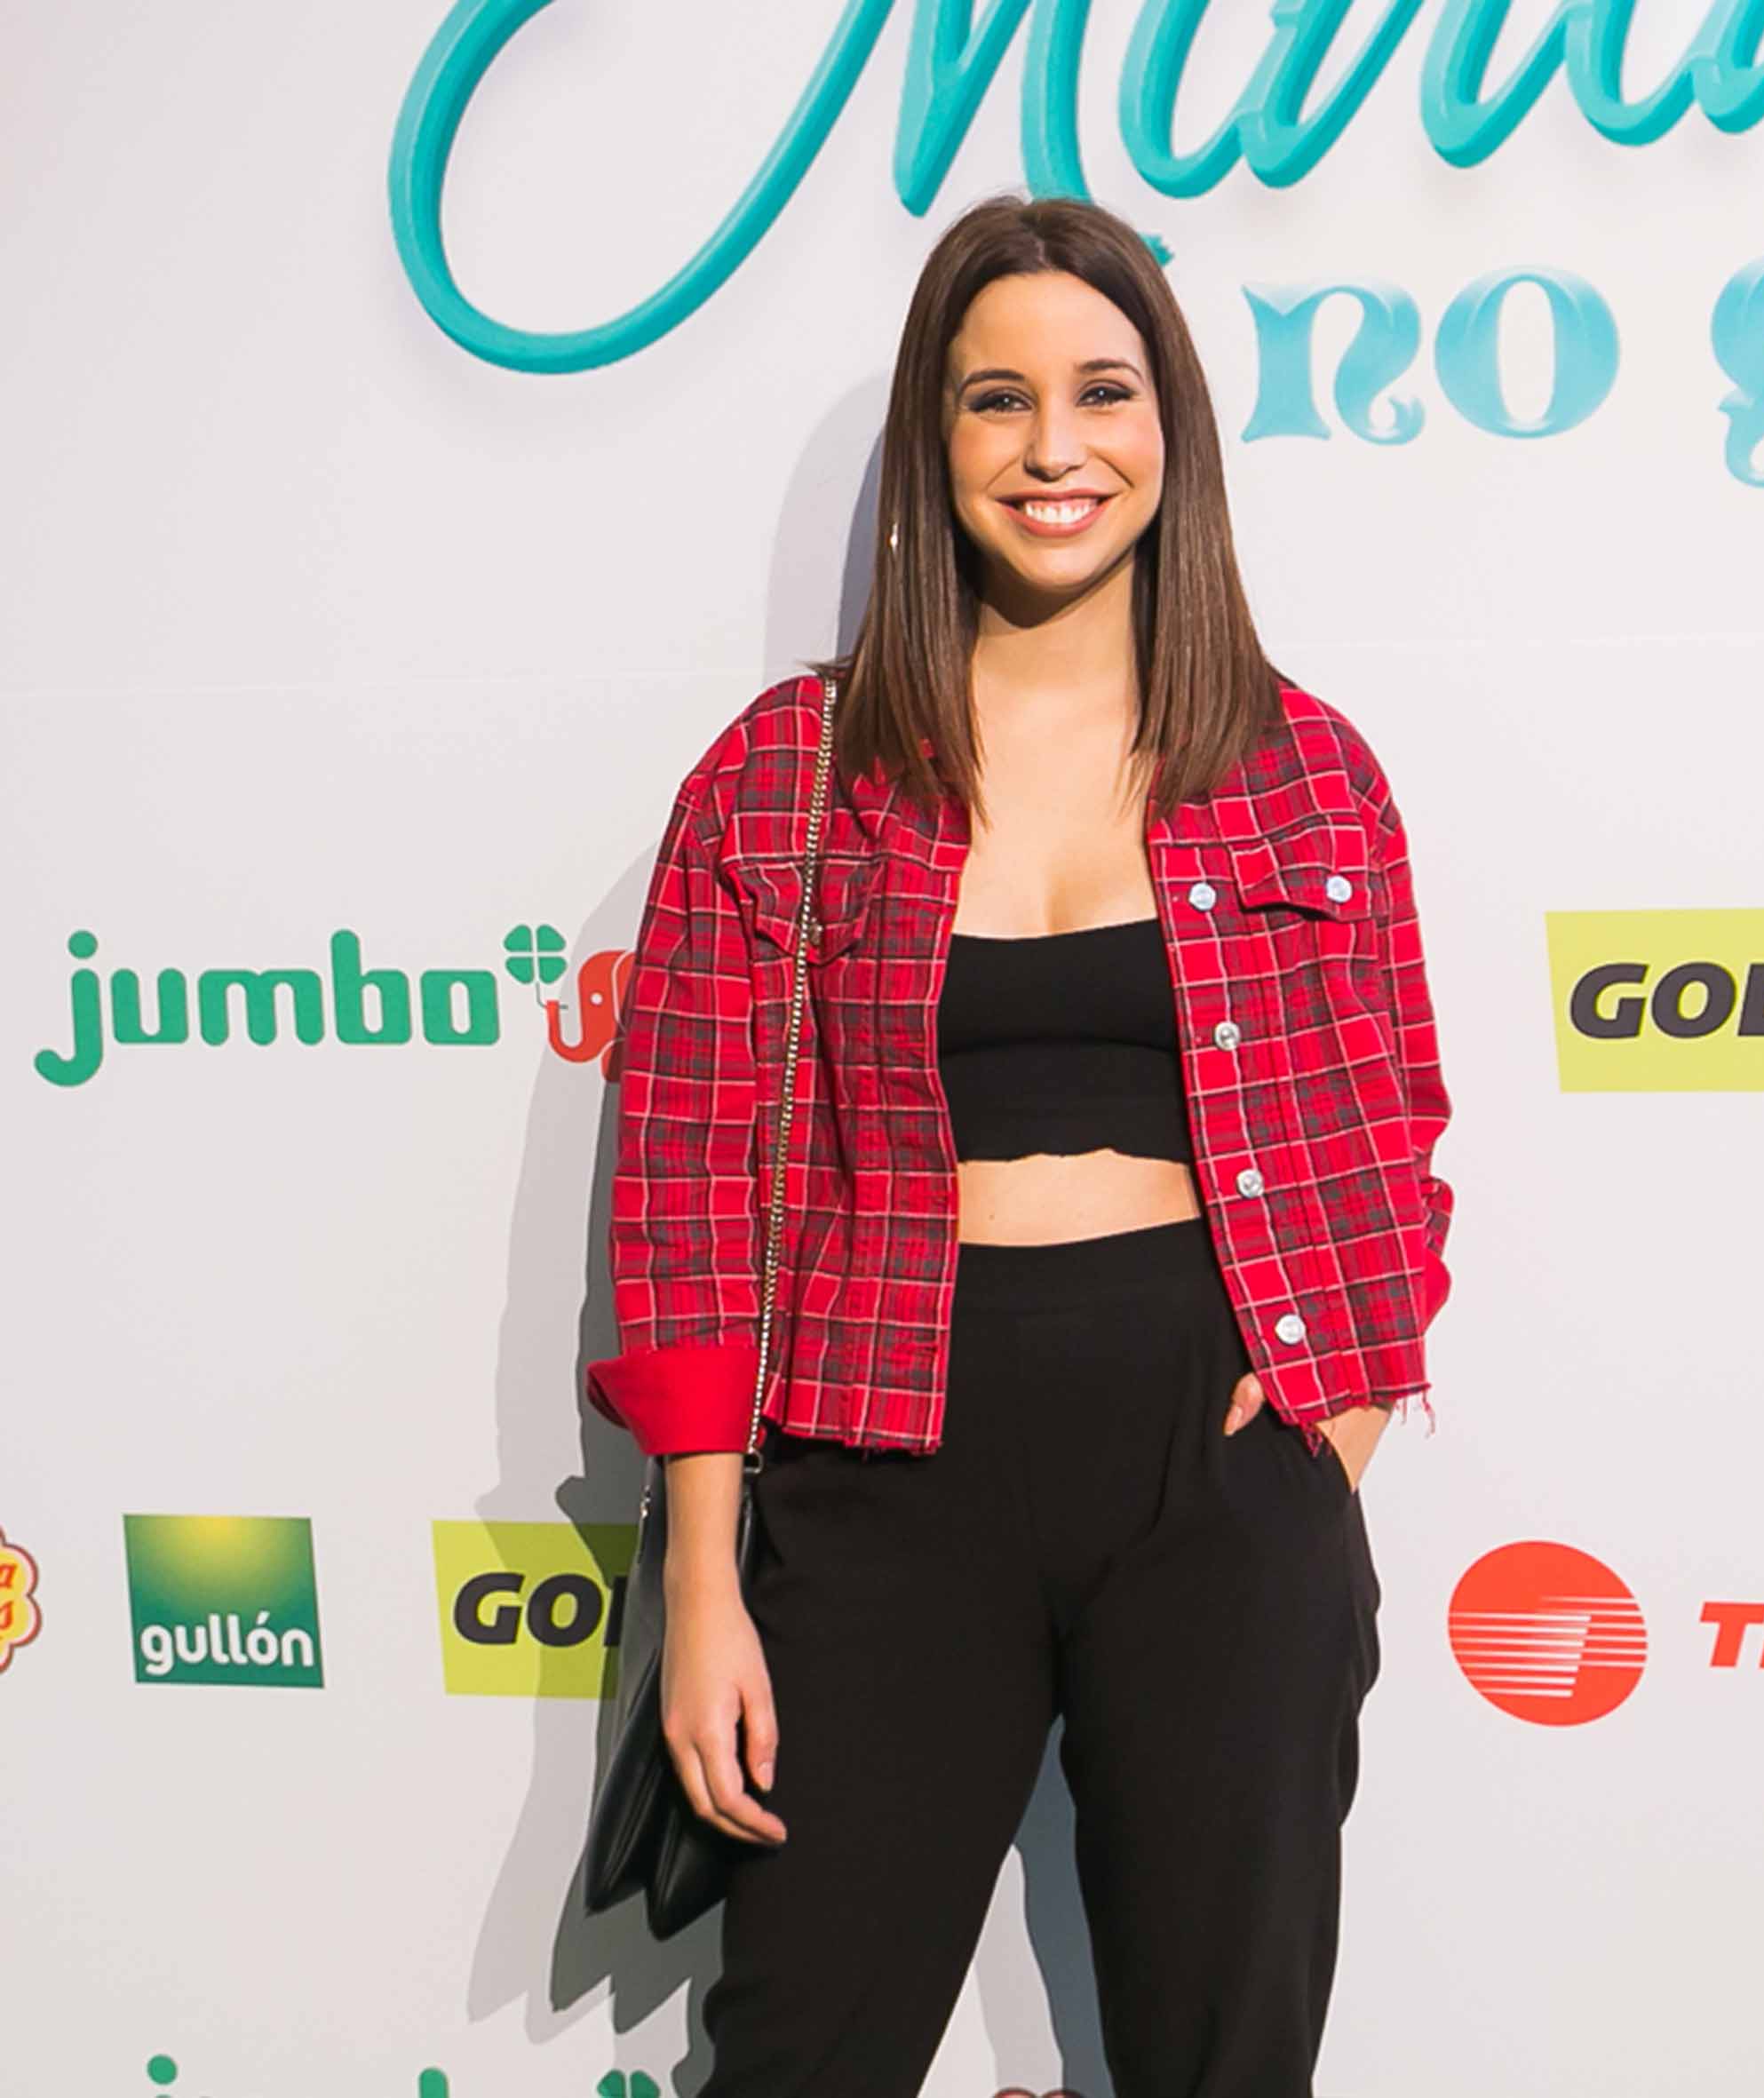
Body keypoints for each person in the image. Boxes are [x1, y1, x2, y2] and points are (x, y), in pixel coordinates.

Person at [578, 192, 1456, 2098]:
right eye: (998, 399)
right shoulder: (786, 774)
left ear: (1172, 427)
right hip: (881, 1447)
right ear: (938, 438)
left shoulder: (1304, 768)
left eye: (1102, 391)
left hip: (1212, 1446)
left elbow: (1391, 1123)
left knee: (1225, 2057)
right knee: (804, 2051)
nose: (1055, 447)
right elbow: (688, 1189)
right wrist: (705, 1582)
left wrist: (1330, 1431)